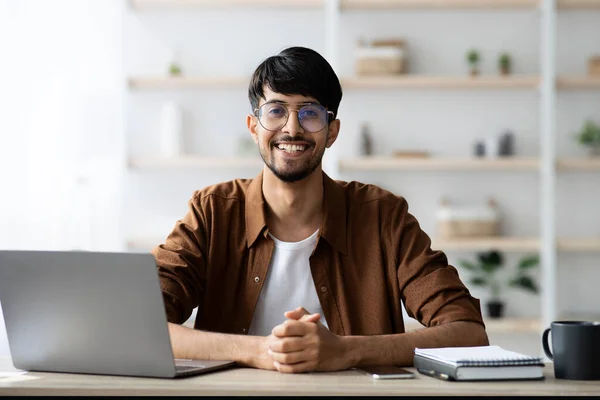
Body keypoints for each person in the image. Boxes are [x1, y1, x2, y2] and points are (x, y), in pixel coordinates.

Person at [153, 46, 489, 374]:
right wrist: (259, 350)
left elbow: (469, 332)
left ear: (332, 132)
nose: (292, 128)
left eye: (310, 112)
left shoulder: (383, 216)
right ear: (254, 127)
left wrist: (347, 350)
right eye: (276, 111)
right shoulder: (212, 211)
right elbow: (142, 323)